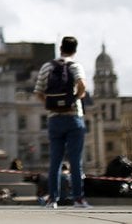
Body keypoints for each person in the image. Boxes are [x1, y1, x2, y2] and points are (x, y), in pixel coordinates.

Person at [33, 36, 91, 209]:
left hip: (54, 119)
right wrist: (75, 98)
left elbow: (38, 92)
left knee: (55, 161)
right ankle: (78, 199)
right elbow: (82, 86)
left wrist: (51, 105)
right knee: (75, 161)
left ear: (61, 48)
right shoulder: (76, 66)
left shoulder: (47, 66)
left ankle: (53, 199)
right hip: (74, 117)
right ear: (75, 50)